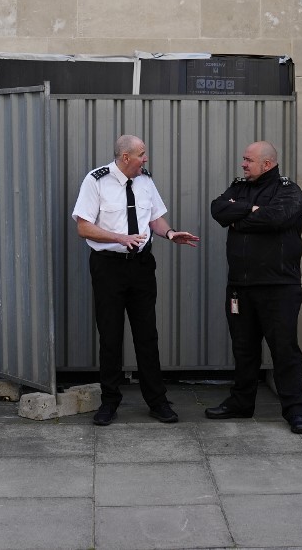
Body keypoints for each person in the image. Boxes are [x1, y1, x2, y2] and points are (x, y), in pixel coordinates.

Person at [72, 135, 200, 426]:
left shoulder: (145, 181)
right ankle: (109, 402)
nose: (146, 158)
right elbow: (83, 227)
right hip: (108, 267)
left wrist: (169, 234)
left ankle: (157, 401)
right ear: (125, 157)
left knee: (147, 334)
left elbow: (155, 218)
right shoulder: (96, 180)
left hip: (141, 266)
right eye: (141, 154)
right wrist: (119, 237)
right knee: (110, 335)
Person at [206, 140, 302, 434]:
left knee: (284, 350)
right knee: (244, 348)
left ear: (267, 164)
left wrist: (240, 219)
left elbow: (277, 217)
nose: (243, 164)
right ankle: (242, 403)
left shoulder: (289, 190)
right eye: (244, 159)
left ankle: (295, 411)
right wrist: (249, 209)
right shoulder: (239, 187)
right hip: (240, 286)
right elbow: (218, 210)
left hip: (278, 287)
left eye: (248, 160)